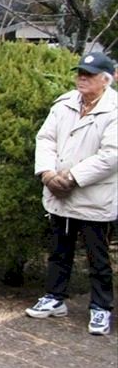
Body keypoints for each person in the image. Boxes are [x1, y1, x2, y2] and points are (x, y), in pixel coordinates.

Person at [27, 51, 116, 335]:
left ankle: (101, 308)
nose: (82, 78)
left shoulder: (114, 109)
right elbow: (46, 138)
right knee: (58, 251)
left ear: (106, 79)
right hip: (58, 193)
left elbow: (111, 155)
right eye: (80, 72)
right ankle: (55, 298)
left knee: (97, 256)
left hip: (94, 197)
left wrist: (74, 177)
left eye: (89, 75)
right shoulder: (65, 103)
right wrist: (47, 173)